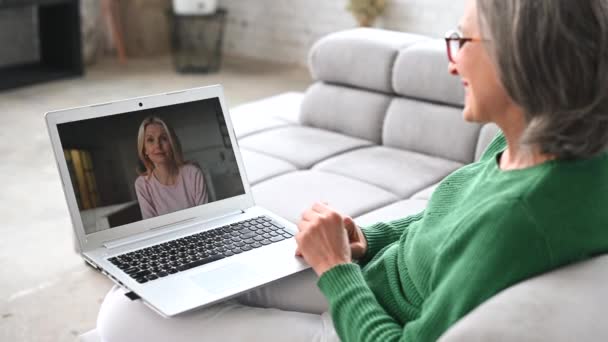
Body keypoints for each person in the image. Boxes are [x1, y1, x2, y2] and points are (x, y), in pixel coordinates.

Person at [98, 0, 608, 341]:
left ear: (521, 57)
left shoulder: (520, 218)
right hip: (366, 277)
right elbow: (449, 225)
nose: (451, 63)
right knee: (158, 288)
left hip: (354, 323)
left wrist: (337, 271)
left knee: (120, 317)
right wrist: (365, 240)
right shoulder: (534, 144)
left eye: (462, 42)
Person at [134, 116, 208, 219]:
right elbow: (152, 226)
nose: (158, 145)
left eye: (164, 138)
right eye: (150, 140)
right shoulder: (142, 184)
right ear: (144, 149)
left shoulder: (193, 174)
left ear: (172, 143)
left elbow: (205, 217)